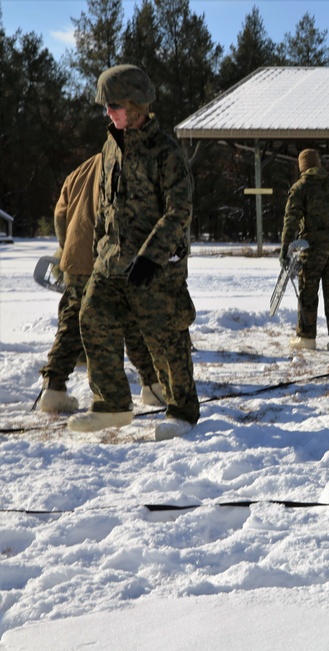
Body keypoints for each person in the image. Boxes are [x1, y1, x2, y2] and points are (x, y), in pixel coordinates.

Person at [67, 64, 199, 441]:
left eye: (113, 106)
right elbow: (106, 207)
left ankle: (183, 412)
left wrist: (151, 256)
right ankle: (112, 405)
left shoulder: (166, 152)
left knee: (165, 337)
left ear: (135, 105)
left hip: (155, 268)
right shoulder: (111, 145)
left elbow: (179, 211)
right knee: (93, 316)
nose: (107, 113)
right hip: (111, 264)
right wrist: (99, 253)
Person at [38, 153, 164, 414]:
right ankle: (152, 384)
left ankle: (53, 387)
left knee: (72, 322)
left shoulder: (80, 170)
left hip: (76, 257)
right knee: (133, 318)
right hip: (110, 260)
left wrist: (68, 249)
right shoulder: (129, 166)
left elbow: (60, 215)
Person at [280, 149, 329, 352]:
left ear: (302, 166)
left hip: (313, 247)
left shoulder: (300, 188)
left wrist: (285, 250)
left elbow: (291, 221)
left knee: (308, 290)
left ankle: (307, 338)